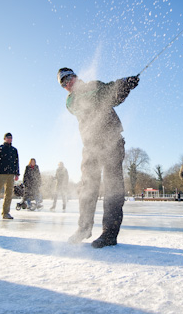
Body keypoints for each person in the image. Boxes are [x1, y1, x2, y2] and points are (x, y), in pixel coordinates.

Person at [57, 67, 139, 248]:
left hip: (112, 141)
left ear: (75, 76)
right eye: (63, 83)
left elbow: (112, 96)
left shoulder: (94, 85)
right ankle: (84, 228)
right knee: (88, 185)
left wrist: (125, 86)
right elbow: (100, 96)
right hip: (91, 145)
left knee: (112, 186)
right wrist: (120, 85)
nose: (67, 83)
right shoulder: (71, 101)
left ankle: (109, 233)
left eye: (68, 78)